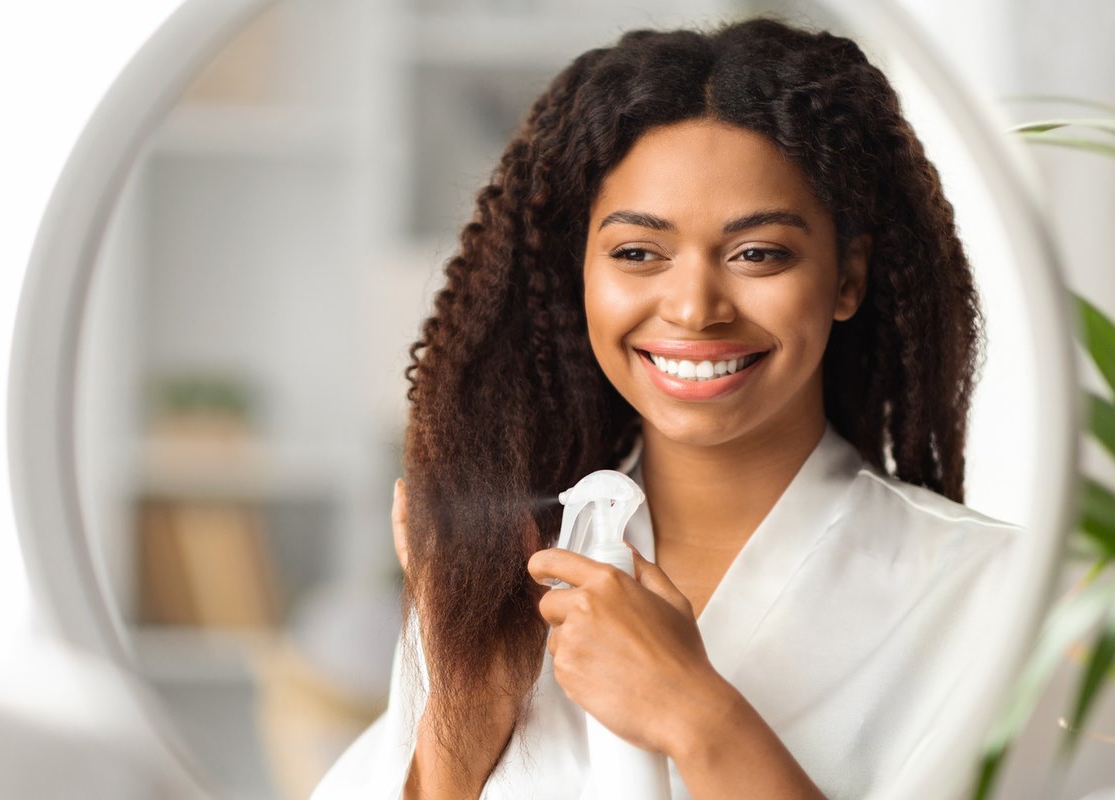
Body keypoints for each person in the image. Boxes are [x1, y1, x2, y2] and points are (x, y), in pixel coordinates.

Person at [312, 17, 1016, 800]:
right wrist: (462, 721)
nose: (693, 307)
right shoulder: (506, 579)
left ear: (847, 278)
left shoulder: (992, 594)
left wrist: (700, 718)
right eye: (637, 253)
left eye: (758, 253)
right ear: (576, 275)